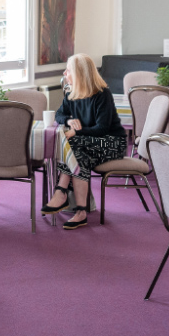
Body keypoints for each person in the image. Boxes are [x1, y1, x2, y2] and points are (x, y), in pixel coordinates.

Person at [42, 53, 126, 230]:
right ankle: (80, 212)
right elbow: (59, 114)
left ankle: (61, 191)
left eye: (68, 70)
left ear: (79, 73)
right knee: (79, 155)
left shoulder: (102, 95)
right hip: (86, 144)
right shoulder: (72, 94)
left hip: (112, 143)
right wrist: (67, 121)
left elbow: (102, 129)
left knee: (74, 145)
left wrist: (75, 132)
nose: (65, 73)